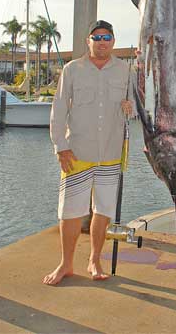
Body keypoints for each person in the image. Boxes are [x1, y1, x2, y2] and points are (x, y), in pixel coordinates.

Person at [43, 20, 134, 285]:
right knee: (70, 211)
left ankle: (94, 259)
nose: (102, 41)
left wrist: (132, 108)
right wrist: (60, 146)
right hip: (77, 153)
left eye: (107, 37)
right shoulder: (72, 70)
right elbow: (58, 110)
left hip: (111, 153)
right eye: (97, 37)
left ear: (113, 41)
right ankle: (66, 264)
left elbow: (139, 108)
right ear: (88, 41)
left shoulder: (125, 70)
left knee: (103, 210)